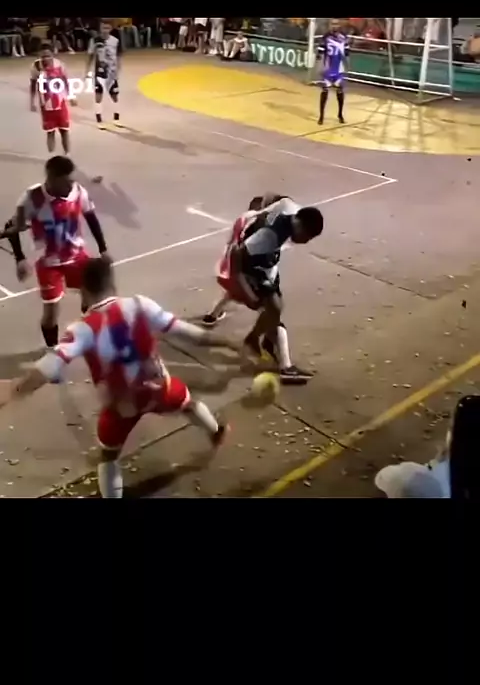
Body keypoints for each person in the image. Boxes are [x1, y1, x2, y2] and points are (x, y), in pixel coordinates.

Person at [8, 258, 237, 498]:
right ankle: (216, 433)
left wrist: (16, 390)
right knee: (188, 403)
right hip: (159, 390)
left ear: (84, 292)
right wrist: (228, 343)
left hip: (121, 406)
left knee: (109, 456)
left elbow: (50, 365)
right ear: (112, 284)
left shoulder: (82, 329)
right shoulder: (140, 305)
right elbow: (191, 334)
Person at [1, 156, 110, 351]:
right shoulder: (32, 198)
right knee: (51, 313)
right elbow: (12, 227)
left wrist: (103, 249)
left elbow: (91, 217)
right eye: (66, 181)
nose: (71, 185)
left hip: (76, 255)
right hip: (49, 263)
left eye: (72, 180)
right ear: (51, 179)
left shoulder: (78, 191)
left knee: (93, 296)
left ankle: (89, 334)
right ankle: (53, 350)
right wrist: (20, 259)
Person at [228, 198, 324, 384]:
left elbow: (278, 199)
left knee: (274, 311)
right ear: (299, 224)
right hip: (253, 267)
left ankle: (265, 342)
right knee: (275, 308)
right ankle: (257, 343)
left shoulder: (290, 208)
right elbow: (237, 254)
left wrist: (259, 211)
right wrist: (246, 289)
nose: (306, 241)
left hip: (267, 263)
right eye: (307, 236)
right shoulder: (268, 238)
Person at [202, 193, 285, 327]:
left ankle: (213, 314)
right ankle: (270, 325)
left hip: (235, 262)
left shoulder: (243, 219)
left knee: (233, 291)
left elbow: (232, 241)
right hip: (254, 268)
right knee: (262, 300)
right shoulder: (265, 226)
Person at [30, 42, 73, 155]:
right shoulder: (35, 67)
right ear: (39, 55)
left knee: (64, 130)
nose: (45, 59)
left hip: (60, 102)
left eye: (48, 56)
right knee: (50, 132)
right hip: (46, 105)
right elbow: (33, 85)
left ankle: (67, 154)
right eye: (43, 56)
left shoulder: (60, 65)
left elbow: (66, 82)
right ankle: (51, 156)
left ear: (52, 55)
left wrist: (71, 96)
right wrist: (32, 102)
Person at [85, 20, 122, 126]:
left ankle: (116, 119)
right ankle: (99, 120)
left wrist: (118, 71)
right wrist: (87, 71)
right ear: (100, 29)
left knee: (114, 96)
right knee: (98, 96)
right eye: (103, 28)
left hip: (111, 73)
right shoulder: (94, 41)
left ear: (111, 29)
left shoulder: (115, 41)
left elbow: (118, 57)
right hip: (99, 72)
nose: (105, 30)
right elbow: (90, 56)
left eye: (107, 28)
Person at [317, 18, 349, 125]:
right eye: (332, 24)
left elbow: (347, 53)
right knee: (324, 92)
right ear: (329, 25)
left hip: (339, 69)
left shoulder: (344, 37)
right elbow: (320, 53)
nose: (334, 26)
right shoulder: (325, 37)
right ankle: (321, 116)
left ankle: (340, 114)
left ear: (339, 25)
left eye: (336, 24)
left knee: (340, 92)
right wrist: (320, 67)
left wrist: (347, 67)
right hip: (328, 68)